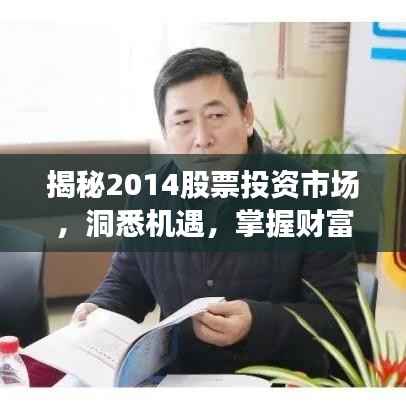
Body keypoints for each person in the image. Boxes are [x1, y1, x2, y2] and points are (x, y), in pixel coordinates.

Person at [72, 48, 367, 377]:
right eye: (183, 122)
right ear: (165, 132)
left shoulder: (311, 195)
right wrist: (99, 309)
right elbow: (127, 283)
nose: (202, 139)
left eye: (215, 116)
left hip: (280, 380)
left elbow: (344, 318)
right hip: (180, 379)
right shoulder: (148, 196)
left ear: (247, 116)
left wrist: (257, 322)